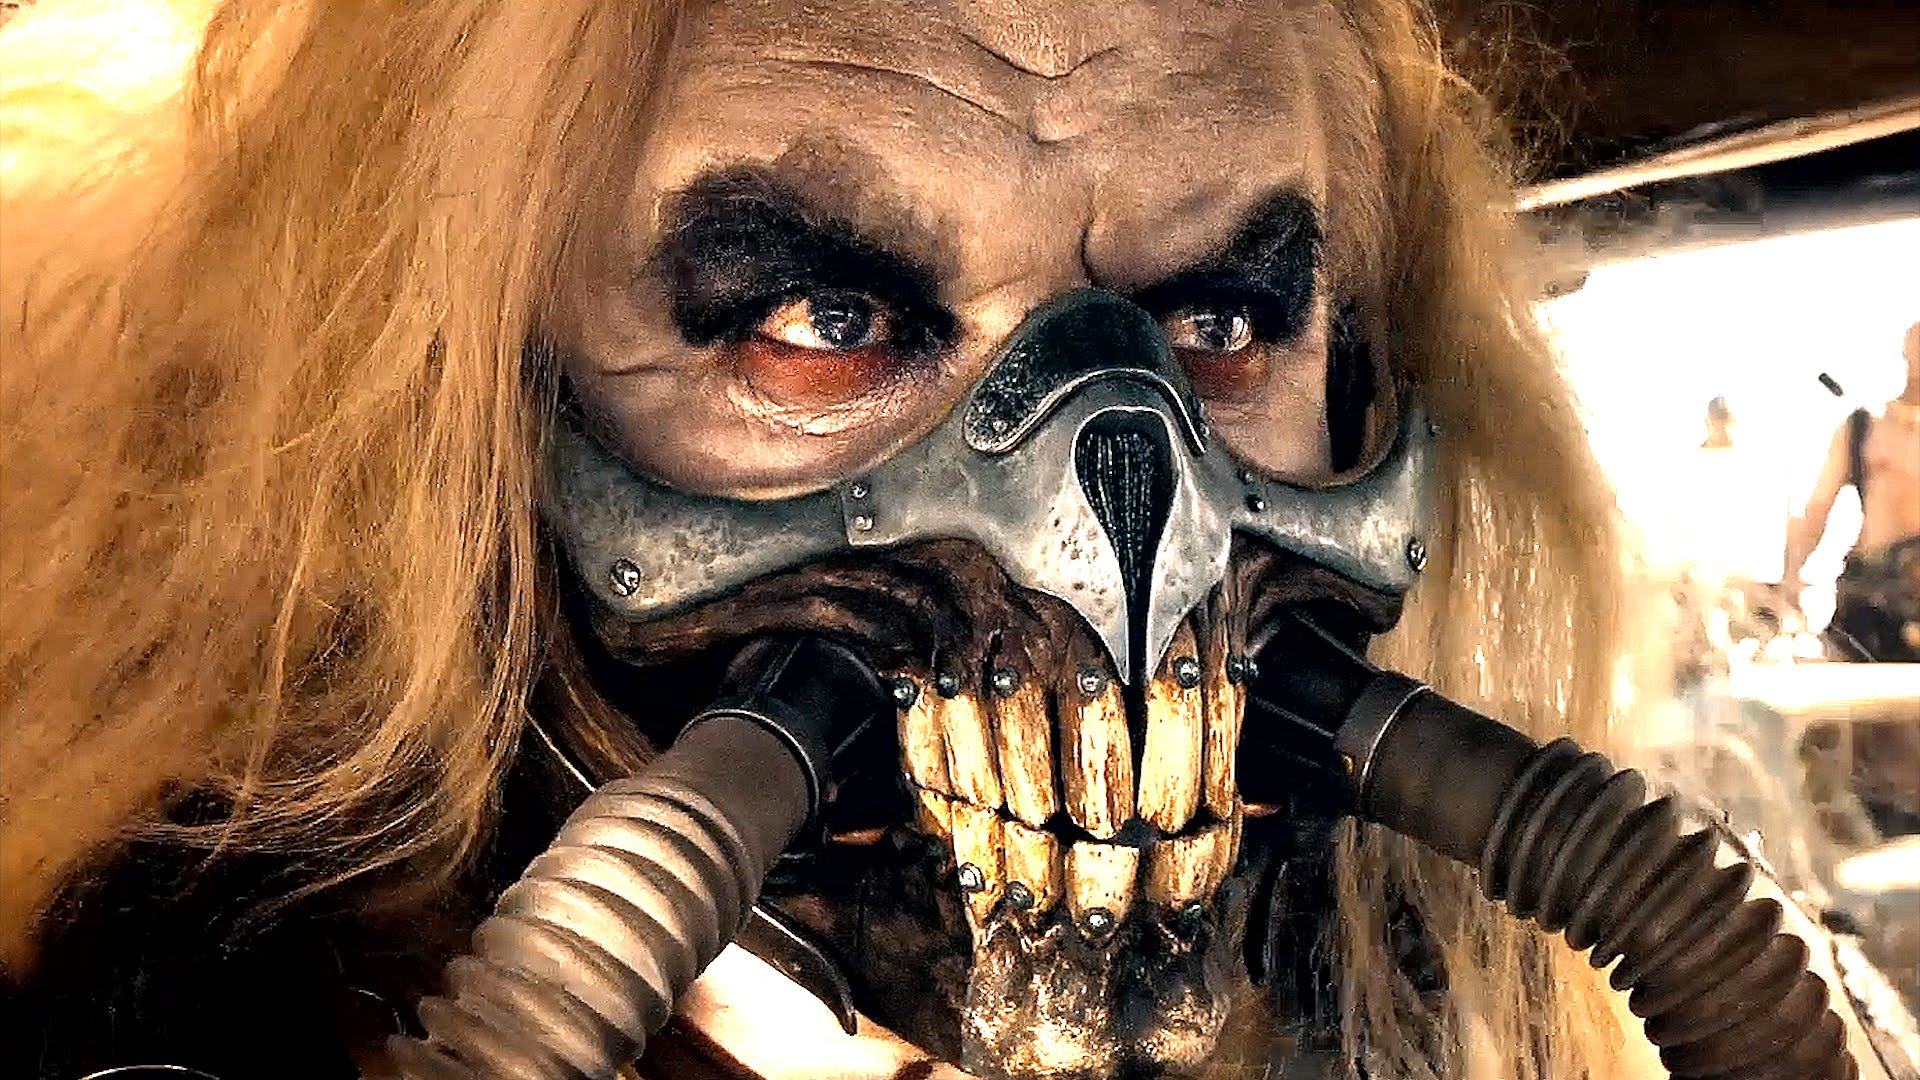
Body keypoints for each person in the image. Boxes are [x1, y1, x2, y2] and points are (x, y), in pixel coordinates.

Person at [2, 4, 1914, 1080]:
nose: (1107, 543)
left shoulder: (1473, 1008)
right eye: (823, 322)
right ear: (458, 438)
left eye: (1219, 322)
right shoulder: (184, 1013)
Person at [1784, 321, 1920, 662]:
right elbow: (1818, 507)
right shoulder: (1864, 427)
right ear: (1906, 349)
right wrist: (1792, 573)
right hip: (1874, 599)